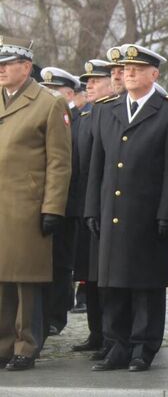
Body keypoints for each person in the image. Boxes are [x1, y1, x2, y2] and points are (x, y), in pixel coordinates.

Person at [84, 43, 168, 372]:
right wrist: (92, 208)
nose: (129, 73)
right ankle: (117, 344)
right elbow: (96, 166)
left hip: (147, 215)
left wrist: (167, 215)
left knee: (145, 284)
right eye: (126, 69)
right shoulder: (107, 109)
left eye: (137, 69)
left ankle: (143, 346)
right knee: (113, 283)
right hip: (111, 211)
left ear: (154, 74)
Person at [0, 37, 72, 371]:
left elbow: (59, 162)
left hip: (27, 205)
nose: (1, 70)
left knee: (25, 279)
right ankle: (3, 344)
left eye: (7, 64)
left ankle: (26, 345)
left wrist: (52, 208)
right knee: (2, 278)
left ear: (26, 67)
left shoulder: (48, 102)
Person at [70, 59, 116, 355]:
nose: (89, 85)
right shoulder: (84, 114)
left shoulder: (111, 112)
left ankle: (111, 334)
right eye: (87, 81)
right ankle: (95, 332)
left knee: (105, 276)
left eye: (96, 80)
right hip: (83, 205)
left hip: (105, 204)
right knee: (88, 273)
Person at [39, 67, 83, 337]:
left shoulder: (79, 118)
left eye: (54, 90)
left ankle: (56, 315)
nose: (48, 94)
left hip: (67, 201)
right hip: (43, 199)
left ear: (68, 92)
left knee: (61, 262)